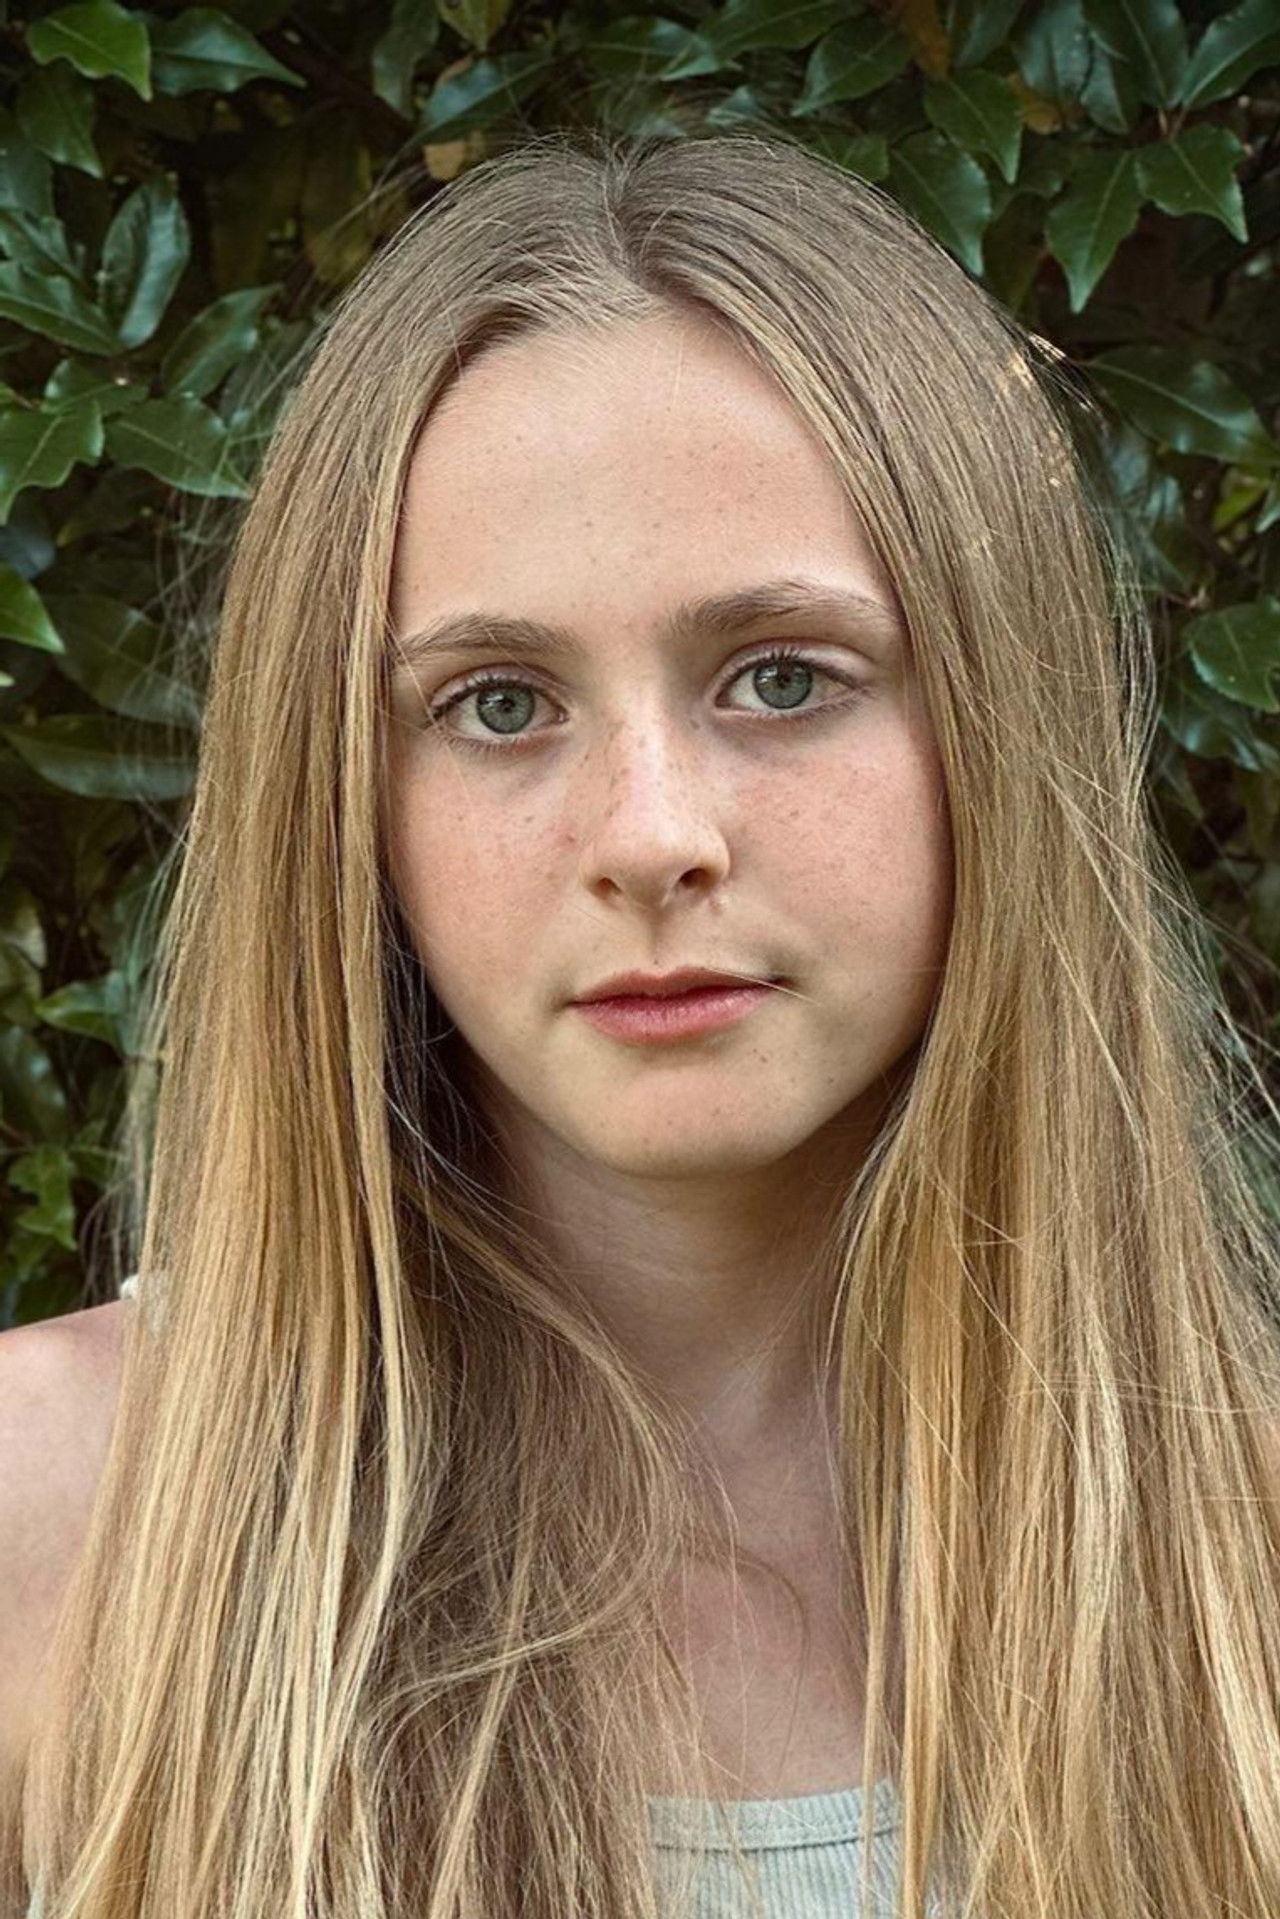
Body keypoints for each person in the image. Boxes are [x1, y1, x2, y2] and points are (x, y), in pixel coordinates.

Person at [7, 126, 1280, 1919]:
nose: (651, 834)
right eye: (498, 702)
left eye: (785, 677)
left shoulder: (1242, 1563)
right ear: (347, 794)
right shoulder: (49, 1529)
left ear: (1003, 728)